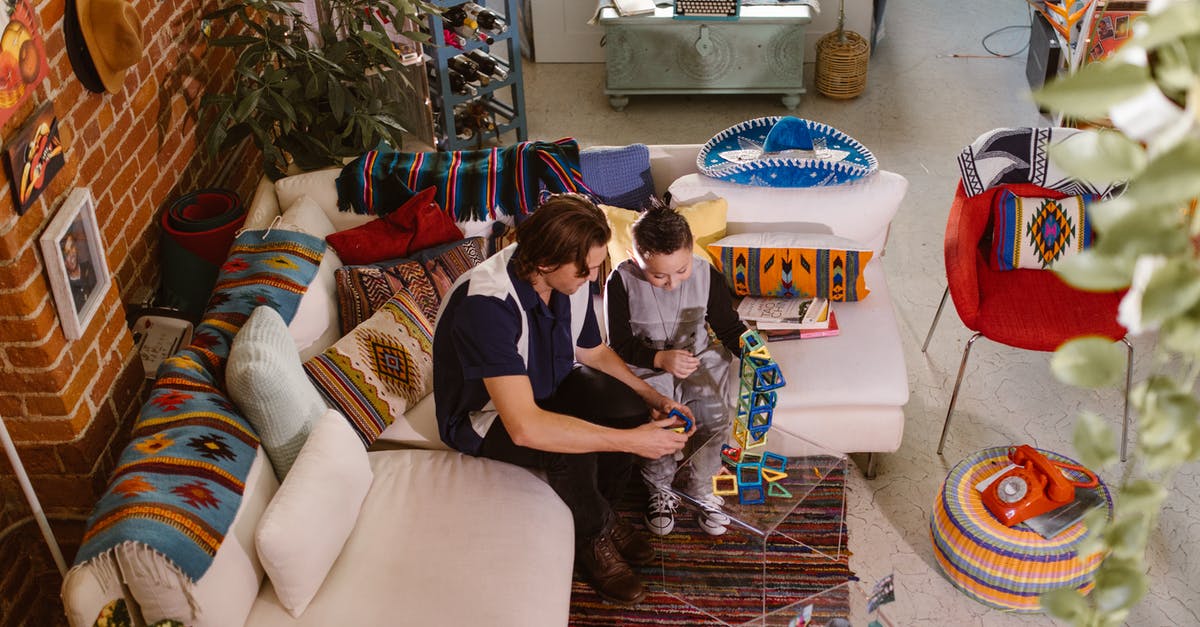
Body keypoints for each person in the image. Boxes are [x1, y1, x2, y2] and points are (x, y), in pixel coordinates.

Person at [432, 193, 696, 605]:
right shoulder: (487, 305)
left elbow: (592, 350)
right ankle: (592, 539)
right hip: (482, 415)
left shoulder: (566, 277)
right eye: (587, 269)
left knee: (626, 407)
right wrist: (633, 442)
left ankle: (602, 516)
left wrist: (651, 396)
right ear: (544, 263)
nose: (593, 279)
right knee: (572, 451)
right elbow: (525, 426)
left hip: (545, 387)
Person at [604, 203, 747, 537]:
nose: (671, 283)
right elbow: (618, 344)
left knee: (714, 417)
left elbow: (728, 327)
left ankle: (703, 489)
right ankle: (660, 488)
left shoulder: (706, 273)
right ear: (632, 255)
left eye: (681, 270)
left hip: (699, 360)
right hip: (648, 367)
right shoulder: (620, 281)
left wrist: (755, 352)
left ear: (691, 247)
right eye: (658, 275)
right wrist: (659, 360)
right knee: (661, 421)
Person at [62, 230, 95, 312]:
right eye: (66, 254)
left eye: (72, 247)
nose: (71, 255)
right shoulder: (68, 291)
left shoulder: (91, 268)